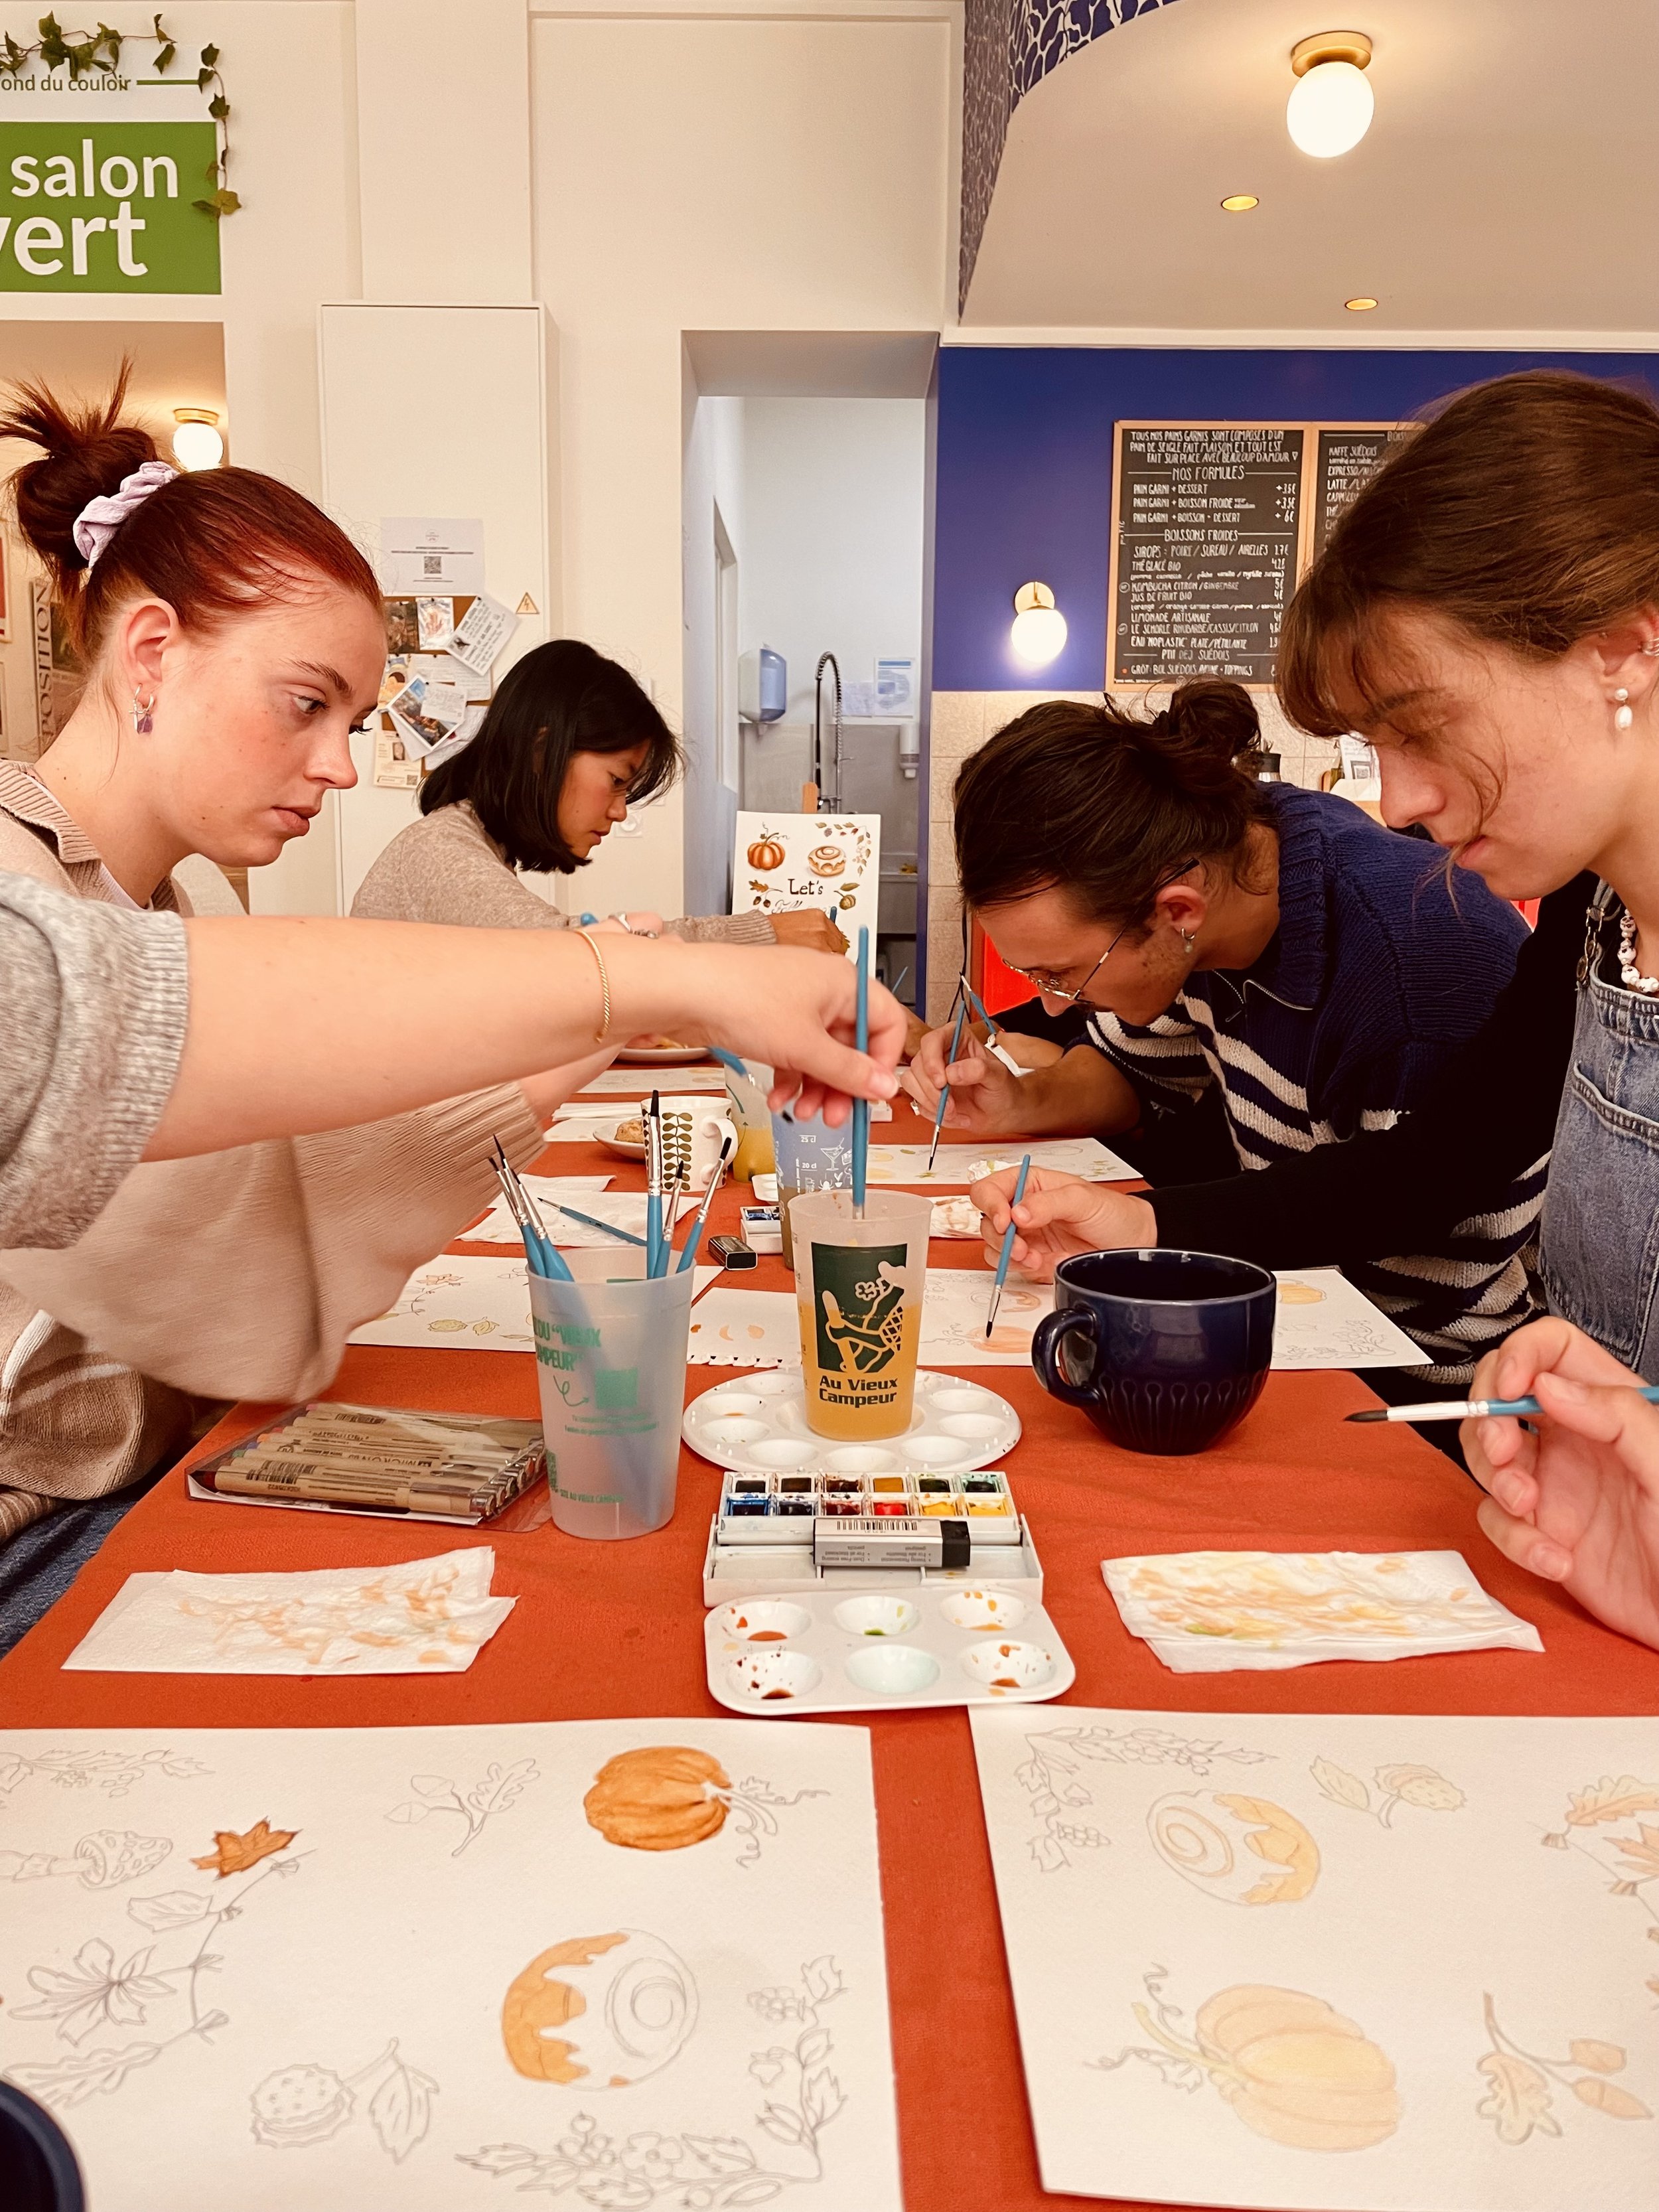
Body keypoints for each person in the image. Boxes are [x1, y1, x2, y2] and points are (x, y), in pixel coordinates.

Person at [0, 371, 899, 1556]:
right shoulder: (24, 888)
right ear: (152, 652)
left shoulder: (188, 898)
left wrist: (606, 1016)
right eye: (305, 703)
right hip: (51, 1527)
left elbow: (268, 1223)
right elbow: (216, 1292)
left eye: (353, 723)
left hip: (176, 1454)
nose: (338, 766)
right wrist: (667, 977)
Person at [964, 368, 1659, 1639]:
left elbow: (1424, 1185)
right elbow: (1466, 1141)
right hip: (1583, 1530)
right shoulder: (1591, 906)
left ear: (1622, 644)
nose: (1397, 801)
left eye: (1421, 726)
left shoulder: (1422, 933)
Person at [907, 680, 1542, 1389]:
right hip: (1277, 1299)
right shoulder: (1220, 860)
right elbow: (1132, 1070)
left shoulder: (1415, 961)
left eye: (1062, 975)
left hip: (1415, 1372)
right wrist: (1018, 1101)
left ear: (1177, 912)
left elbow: (1396, 1199)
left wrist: (1143, 1227)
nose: (1054, 1010)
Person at [0, 870, 897, 1262]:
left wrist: (676, 981)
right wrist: (688, 976)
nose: (342, 768)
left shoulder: (168, 893)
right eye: (306, 703)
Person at [352, 636, 845, 954]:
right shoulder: (439, 849)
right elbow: (572, 956)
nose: (619, 811)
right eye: (616, 781)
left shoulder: (477, 845)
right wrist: (762, 933)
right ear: (542, 752)